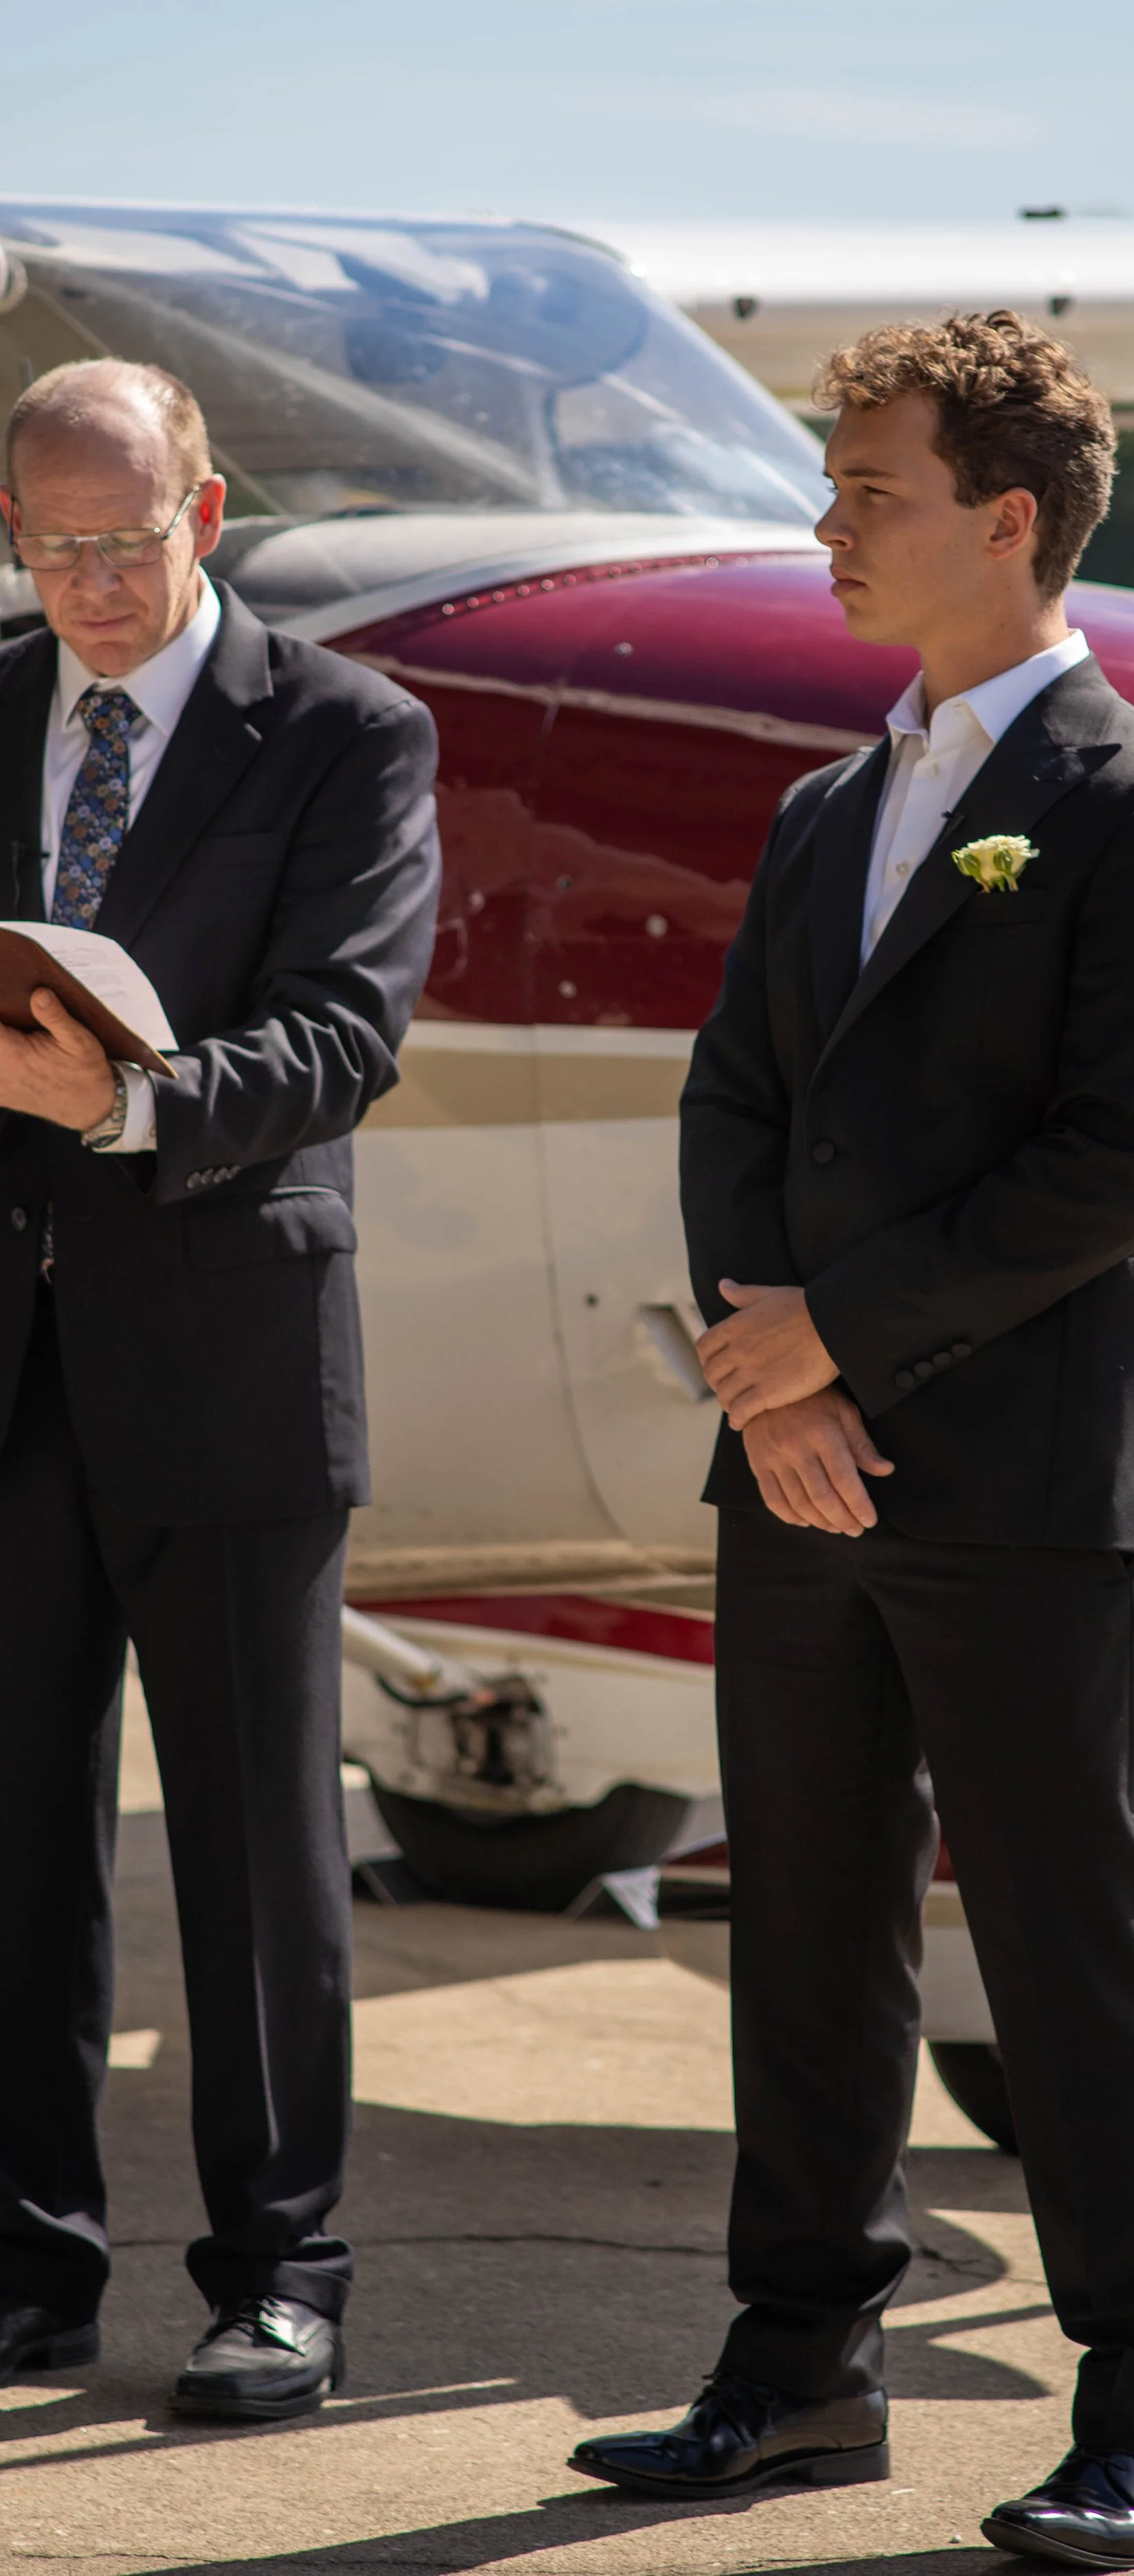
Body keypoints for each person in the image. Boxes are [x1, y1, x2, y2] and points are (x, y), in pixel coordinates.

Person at [570, 313, 1134, 2564]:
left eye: (865, 489)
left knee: (1070, 1957)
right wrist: (769, 1378)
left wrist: (831, 1351)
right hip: (803, 1471)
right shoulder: (822, 806)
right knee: (807, 1936)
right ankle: (794, 2373)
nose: (823, 524)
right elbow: (732, 1101)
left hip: (1040, 1479)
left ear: (1004, 519)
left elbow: (1120, 1160)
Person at [0, 361, 439, 2418]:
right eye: (47, 539)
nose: (87, 582)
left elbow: (350, 1030)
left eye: (125, 537)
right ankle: (28, 2262)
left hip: (233, 1349)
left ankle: (284, 2277)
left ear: (210, 502)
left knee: (260, 1848)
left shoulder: (347, 731)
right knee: (15, 1836)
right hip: (13, 1361)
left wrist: (130, 1101)